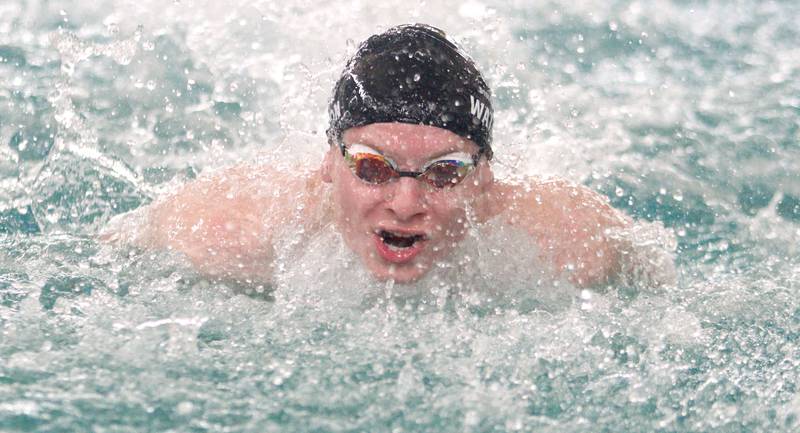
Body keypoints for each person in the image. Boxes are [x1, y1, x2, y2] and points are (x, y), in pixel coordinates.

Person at [104, 24, 673, 289]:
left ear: (486, 180)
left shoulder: (572, 242)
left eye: (444, 173)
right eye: (373, 168)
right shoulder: (225, 231)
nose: (406, 203)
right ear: (329, 164)